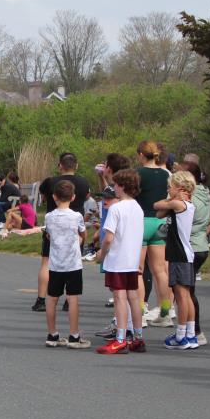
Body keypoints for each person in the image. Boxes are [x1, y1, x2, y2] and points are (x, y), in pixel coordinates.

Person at [95, 170, 146, 354]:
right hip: (132, 259)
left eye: (116, 184)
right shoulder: (138, 208)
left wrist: (102, 254)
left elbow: (109, 238)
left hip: (118, 260)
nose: (114, 187)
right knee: (133, 298)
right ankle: (138, 337)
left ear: (122, 186)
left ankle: (120, 339)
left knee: (119, 298)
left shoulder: (116, 209)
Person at [33, 153, 90, 312]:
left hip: (54, 225)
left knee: (46, 262)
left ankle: (41, 300)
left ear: (60, 166)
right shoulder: (83, 182)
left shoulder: (51, 182)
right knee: (74, 263)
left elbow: (44, 195)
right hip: (75, 227)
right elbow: (87, 196)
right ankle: (69, 300)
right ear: (76, 166)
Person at [44, 181, 90, 348]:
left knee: (52, 298)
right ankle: (74, 335)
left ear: (54, 197)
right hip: (73, 264)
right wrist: (80, 240)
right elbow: (83, 234)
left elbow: (48, 235)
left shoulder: (49, 217)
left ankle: (52, 334)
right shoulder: (77, 216)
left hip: (55, 263)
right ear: (73, 197)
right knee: (72, 298)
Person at [155, 171, 198, 349]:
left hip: (180, 255)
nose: (167, 190)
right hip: (182, 254)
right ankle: (191, 333)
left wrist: (170, 199)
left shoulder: (180, 204)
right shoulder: (180, 204)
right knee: (186, 295)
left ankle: (181, 335)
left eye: (170, 187)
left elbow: (156, 205)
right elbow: (159, 214)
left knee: (181, 296)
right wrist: (170, 199)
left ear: (180, 188)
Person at [136, 141, 174, 329]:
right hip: (160, 221)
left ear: (141, 155)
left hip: (142, 220)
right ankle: (166, 312)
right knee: (160, 270)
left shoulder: (138, 173)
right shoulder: (166, 174)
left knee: (138, 270)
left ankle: (141, 312)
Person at [183, 161, 210, 346]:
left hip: (192, 246)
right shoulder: (204, 193)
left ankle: (196, 331)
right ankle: (190, 328)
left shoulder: (192, 199)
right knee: (187, 290)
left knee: (186, 291)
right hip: (200, 245)